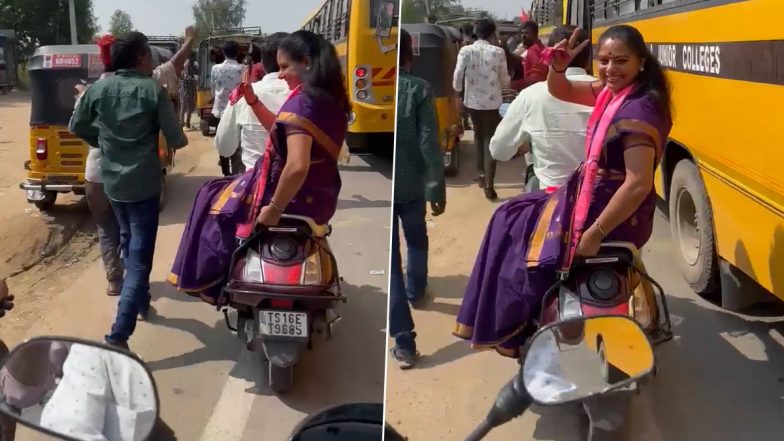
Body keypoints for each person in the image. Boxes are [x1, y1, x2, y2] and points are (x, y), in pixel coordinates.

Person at [454, 24, 672, 358]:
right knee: (509, 216)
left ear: (641, 62)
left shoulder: (637, 109)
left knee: (515, 228)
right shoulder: (617, 94)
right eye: (604, 61)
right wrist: (557, 65)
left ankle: (519, 324)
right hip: (596, 194)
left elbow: (638, 183)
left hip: (615, 211)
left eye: (620, 61)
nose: (610, 69)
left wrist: (596, 233)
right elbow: (563, 90)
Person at [169, 30, 349, 304]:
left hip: (291, 196)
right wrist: (252, 101)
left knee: (210, 196)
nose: (280, 74)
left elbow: (297, 166)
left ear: (307, 63)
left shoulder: (303, 102)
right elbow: (282, 132)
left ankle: (213, 281)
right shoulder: (327, 101)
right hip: (320, 196)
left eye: (285, 67)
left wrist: (274, 210)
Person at [70, 32, 189, 350]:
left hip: (112, 185)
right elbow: (177, 139)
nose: (152, 62)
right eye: (149, 56)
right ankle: (118, 336)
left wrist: (105, 140)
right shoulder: (151, 89)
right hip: (145, 186)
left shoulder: (98, 89)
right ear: (139, 59)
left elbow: (76, 126)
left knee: (125, 239)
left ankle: (141, 301)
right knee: (138, 260)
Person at [389, 29, 446, 369]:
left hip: (387, 189)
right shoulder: (419, 89)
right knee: (416, 237)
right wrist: (436, 188)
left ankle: (405, 342)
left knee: (391, 262)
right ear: (411, 55)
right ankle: (417, 289)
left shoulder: (376, 90)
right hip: (411, 186)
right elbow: (429, 143)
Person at [490, 26, 595, 193]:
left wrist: (525, 146)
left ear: (550, 53)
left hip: (548, 193)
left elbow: (499, 151)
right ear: (589, 58)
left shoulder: (531, 95)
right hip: (597, 194)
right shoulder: (606, 92)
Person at [39, 343, 157, 441]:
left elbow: (75, 428)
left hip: (141, 423)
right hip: (145, 417)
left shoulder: (80, 358)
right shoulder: (84, 352)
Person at [215, 33, 290, 172]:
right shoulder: (307, 97)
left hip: (255, 184)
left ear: (262, 62)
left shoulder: (244, 94)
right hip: (301, 186)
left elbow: (224, 147)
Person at [453, 18, 510, 201]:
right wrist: (505, 87)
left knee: (478, 135)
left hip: (473, 102)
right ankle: (489, 186)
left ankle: (481, 174)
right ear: (492, 33)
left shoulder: (466, 50)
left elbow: (458, 73)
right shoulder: (498, 52)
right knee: (490, 140)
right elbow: (504, 78)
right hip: (493, 102)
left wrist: (457, 94)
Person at [211, 41, 245, 177]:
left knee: (222, 138)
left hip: (220, 110)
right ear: (237, 53)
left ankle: (225, 172)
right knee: (237, 141)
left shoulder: (215, 68)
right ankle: (236, 173)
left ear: (224, 53)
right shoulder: (243, 69)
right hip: (238, 110)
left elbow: (213, 89)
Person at [516, 21, 547, 88]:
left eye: (526, 33)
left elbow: (537, 75)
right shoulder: (539, 47)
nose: (523, 36)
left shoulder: (533, 50)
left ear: (535, 35)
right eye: (522, 33)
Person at [179, 52, 199, 130]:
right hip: (184, 89)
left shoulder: (194, 65)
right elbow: (186, 78)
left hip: (191, 89)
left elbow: (197, 74)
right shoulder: (186, 65)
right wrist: (195, 80)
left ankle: (187, 123)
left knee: (191, 107)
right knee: (183, 107)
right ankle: (182, 124)